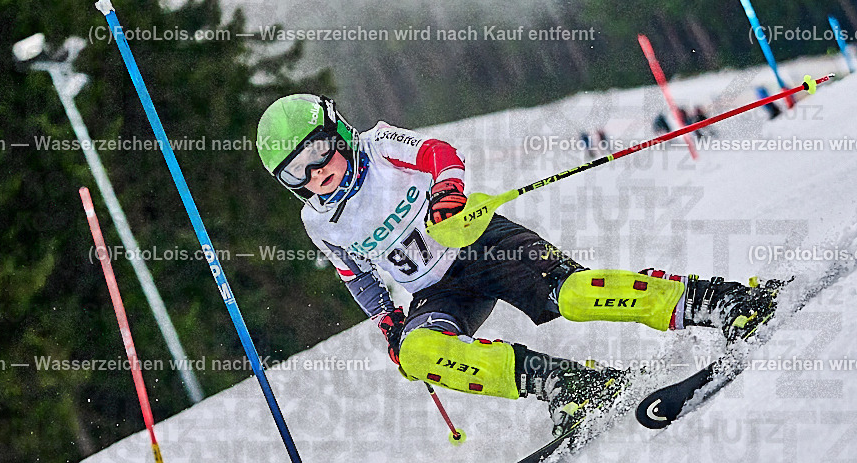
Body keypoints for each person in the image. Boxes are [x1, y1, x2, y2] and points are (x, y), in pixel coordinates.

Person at [255, 94, 778, 433]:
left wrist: (446, 192)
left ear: (338, 131)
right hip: (438, 291)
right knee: (418, 354)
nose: (315, 175)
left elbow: (438, 151)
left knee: (572, 295)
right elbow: (356, 272)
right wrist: (387, 320)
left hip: (481, 243)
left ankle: (717, 301)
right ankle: (571, 386)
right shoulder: (318, 222)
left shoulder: (380, 144)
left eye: (318, 153)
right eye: (296, 173)